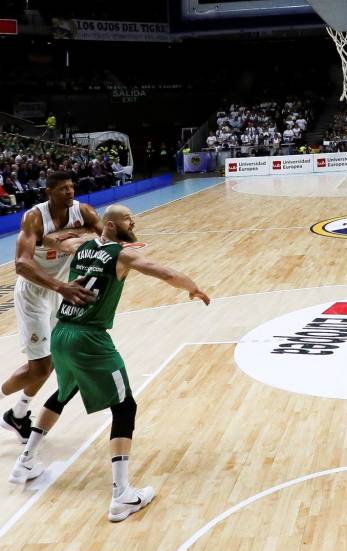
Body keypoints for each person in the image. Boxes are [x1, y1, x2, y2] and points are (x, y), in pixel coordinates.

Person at [8, 205, 211, 523]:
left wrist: (61, 235)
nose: (134, 222)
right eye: (130, 218)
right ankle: (121, 495)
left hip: (62, 332)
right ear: (114, 226)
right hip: (90, 339)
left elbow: (45, 241)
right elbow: (166, 273)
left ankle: (26, 460)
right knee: (124, 407)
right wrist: (193, 288)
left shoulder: (77, 246)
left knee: (63, 392)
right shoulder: (121, 255)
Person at [1, 172, 101, 443]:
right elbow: (21, 264)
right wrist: (61, 286)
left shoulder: (83, 211)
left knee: (53, 361)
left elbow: (107, 236)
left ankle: (18, 415)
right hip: (35, 293)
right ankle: (8, 405)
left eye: (71, 187)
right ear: (49, 192)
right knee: (40, 368)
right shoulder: (34, 218)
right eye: (63, 189)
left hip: (60, 292)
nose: (70, 192)